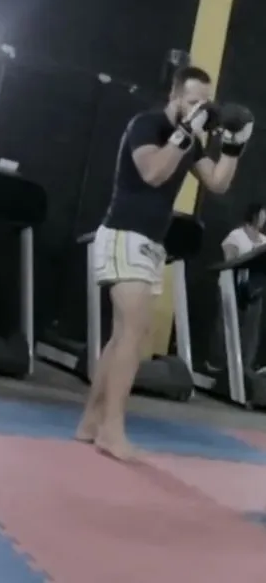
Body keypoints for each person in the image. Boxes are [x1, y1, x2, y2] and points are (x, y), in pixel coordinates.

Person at [75, 66, 254, 461]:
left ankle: (91, 422)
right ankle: (111, 430)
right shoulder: (148, 124)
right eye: (192, 102)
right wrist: (186, 131)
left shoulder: (188, 141)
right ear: (175, 98)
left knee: (124, 335)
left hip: (150, 243)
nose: (199, 109)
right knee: (135, 331)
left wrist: (234, 148)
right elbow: (154, 172)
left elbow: (218, 183)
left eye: (204, 103)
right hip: (124, 233)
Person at [206, 201, 266, 373]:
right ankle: (217, 364)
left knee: (250, 331)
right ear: (254, 213)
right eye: (263, 213)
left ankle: (245, 367)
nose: (265, 217)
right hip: (231, 288)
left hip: (253, 290)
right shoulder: (236, 235)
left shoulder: (264, 240)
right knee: (225, 326)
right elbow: (229, 262)